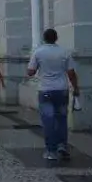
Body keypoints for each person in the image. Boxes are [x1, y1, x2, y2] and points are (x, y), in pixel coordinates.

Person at [27, 28, 79, 161]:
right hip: (62, 90)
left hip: (45, 90)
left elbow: (31, 72)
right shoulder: (64, 52)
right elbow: (71, 73)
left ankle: (51, 151)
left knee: (48, 121)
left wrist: (39, 67)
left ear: (44, 38)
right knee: (61, 119)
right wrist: (76, 87)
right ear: (56, 38)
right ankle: (62, 146)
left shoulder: (38, 52)